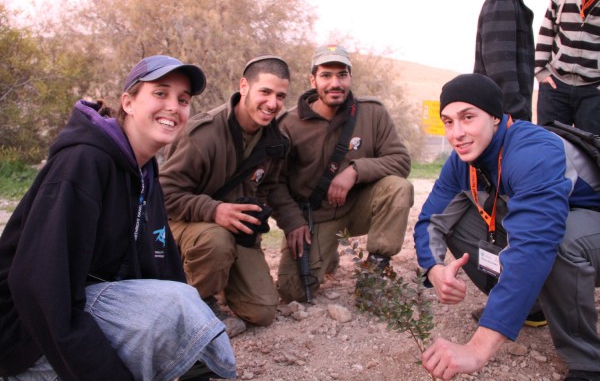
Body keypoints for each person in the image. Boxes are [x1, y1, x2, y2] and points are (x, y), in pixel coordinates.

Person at [0, 55, 236, 381]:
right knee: (174, 307)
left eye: (183, 100)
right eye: (160, 93)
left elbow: (161, 263)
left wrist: (194, 346)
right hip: (24, 337)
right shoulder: (83, 162)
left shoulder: (145, 170)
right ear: (128, 102)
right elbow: (38, 286)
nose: (174, 106)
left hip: (79, 308)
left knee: (183, 304)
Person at [414, 73, 600, 381]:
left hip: (590, 223)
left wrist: (478, 348)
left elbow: (534, 247)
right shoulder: (462, 160)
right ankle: (533, 307)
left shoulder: (532, 151)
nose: (457, 133)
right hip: (556, 225)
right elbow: (429, 219)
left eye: (468, 117)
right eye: (448, 122)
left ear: (497, 118)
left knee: (560, 242)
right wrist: (433, 268)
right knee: (455, 220)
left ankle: (589, 363)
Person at [269, 44, 413, 303]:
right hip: (316, 216)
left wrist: (355, 172)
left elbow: (401, 161)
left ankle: (376, 271)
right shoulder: (288, 125)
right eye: (326, 75)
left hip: (358, 207)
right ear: (313, 79)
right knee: (293, 292)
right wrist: (293, 221)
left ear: (350, 78)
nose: (335, 83)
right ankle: (328, 251)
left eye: (342, 75)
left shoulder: (372, 112)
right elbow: (274, 183)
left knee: (398, 187)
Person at [159, 55, 290, 337]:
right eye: (265, 92)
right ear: (244, 86)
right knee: (214, 240)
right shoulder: (203, 133)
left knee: (262, 311)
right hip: (183, 223)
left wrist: (291, 222)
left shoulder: (276, 141)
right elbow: (165, 192)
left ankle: (218, 278)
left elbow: (271, 187)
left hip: (235, 230)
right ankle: (198, 306)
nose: (272, 104)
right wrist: (214, 211)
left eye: (280, 96)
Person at [535, 0, 600, 134]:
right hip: (555, 87)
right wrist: (540, 71)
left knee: (592, 152)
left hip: (593, 91)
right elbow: (548, 27)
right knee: (548, 148)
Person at [474, 0, 540, 121]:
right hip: (503, 118)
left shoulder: (513, 1)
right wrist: (517, 116)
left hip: (506, 118)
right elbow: (499, 69)